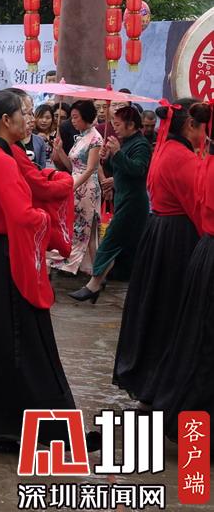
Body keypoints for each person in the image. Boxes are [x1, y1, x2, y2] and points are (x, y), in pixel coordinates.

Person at [0, 89, 100, 453]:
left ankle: (6, 428)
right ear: (5, 121)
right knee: (23, 346)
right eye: (22, 113)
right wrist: (46, 222)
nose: (28, 119)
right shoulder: (1, 159)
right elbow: (22, 215)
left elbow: (34, 187)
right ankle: (45, 430)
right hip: (7, 257)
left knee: (4, 344)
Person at [114, 101, 208, 409]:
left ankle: (150, 386)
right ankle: (162, 386)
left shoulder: (165, 149)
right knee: (172, 315)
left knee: (156, 312)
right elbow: (198, 207)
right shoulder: (183, 158)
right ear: (190, 125)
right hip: (178, 238)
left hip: (160, 234)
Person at [149, 104, 214, 439]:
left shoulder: (188, 156)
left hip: (189, 244)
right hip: (187, 240)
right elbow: (197, 207)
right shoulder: (188, 159)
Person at [69, 106, 151, 302]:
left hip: (133, 203)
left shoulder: (141, 145)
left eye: (118, 125)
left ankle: (94, 285)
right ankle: (101, 281)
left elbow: (138, 170)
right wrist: (108, 158)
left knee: (109, 242)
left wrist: (118, 154)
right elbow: (121, 170)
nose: (115, 129)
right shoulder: (126, 142)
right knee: (122, 245)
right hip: (122, 198)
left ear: (131, 125)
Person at [48, 100, 102, 275]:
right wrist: (59, 150)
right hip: (76, 183)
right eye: (72, 117)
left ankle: (96, 273)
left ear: (86, 117)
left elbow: (90, 169)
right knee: (80, 229)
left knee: (86, 231)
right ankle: (95, 273)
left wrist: (73, 187)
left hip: (87, 189)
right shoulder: (81, 137)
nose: (73, 121)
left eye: (76, 117)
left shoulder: (95, 138)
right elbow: (73, 167)